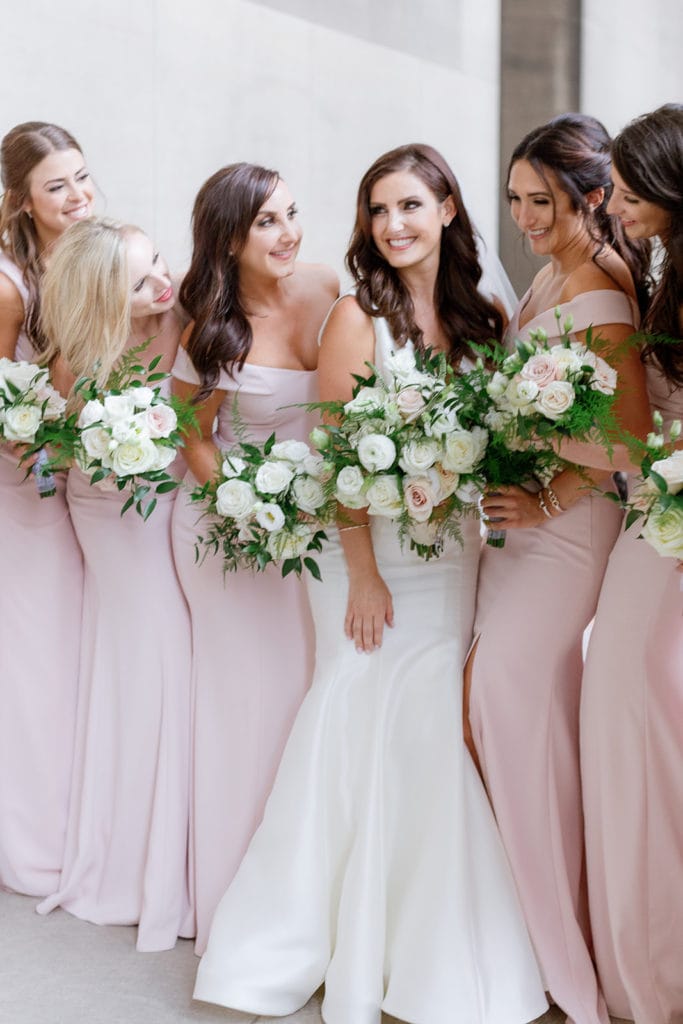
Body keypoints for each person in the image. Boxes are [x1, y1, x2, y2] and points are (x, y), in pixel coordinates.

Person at [193, 144, 548, 1024]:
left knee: (431, 724)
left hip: (450, 554)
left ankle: (420, 937)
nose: (392, 226)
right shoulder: (358, 318)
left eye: (409, 208)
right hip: (370, 555)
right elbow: (340, 453)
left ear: (448, 212)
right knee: (355, 706)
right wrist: (358, 574)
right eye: (377, 211)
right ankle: (320, 929)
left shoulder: (487, 318)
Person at [463, 114, 654, 1024]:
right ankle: (532, 946)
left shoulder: (606, 290)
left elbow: (630, 438)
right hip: (517, 541)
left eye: (543, 200)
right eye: (514, 199)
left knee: (506, 705)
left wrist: (543, 496)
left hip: (568, 537)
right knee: (517, 725)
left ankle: (562, 973)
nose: (525, 216)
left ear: (591, 197)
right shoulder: (546, 274)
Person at [171, 163, 338, 953]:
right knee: (247, 708)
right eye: (267, 222)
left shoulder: (325, 287)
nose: (289, 234)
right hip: (228, 535)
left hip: (317, 537)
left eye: (293, 215)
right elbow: (192, 435)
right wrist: (245, 506)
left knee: (308, 702)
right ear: (229, 237)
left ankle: (301, 896)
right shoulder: (208, 318)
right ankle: (230, 902)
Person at [35, 218, 193, 952]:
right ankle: (135, 861)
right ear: (105, 300)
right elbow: (58, 458)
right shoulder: (75, 364)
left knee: (173, 665)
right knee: (151, 667)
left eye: (155, 260)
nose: (159, 280)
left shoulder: (185, 313)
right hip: (110, 520)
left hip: (176, 511)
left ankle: (179, 842)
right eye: (138, 282)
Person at [578, 103, 683, 1024]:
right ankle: (641, 969)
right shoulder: (655, 269)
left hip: (665, 527)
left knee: (641, 717)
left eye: (624, 185)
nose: (609, 200)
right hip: (654, 522)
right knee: (626, 717)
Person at [0, 122, 92, 896]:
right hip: (21, 496)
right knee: (34, 662)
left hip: (75, 489)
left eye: (81, 178)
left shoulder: (91, 259)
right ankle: (31, 843)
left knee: (67, 657)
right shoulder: (8, 285)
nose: (76, 195)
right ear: (23, 201)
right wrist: (36, 432)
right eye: (56, 185)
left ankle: (71, 819)